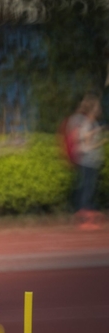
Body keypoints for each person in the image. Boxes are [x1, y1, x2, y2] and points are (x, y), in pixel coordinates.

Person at [66, 93, 106, 230]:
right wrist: (102, 140)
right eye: (97, 107)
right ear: (92, 109)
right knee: (87, 190)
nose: (99, 109)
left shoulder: (91, 122)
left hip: (91, 161)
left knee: (88, 189)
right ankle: (84, 220)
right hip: (87, 161)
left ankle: (86, 217)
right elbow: (87, 143)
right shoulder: (87, 123)